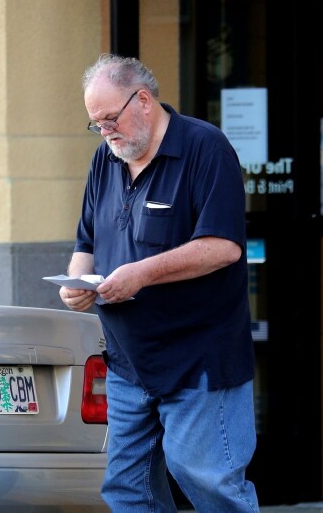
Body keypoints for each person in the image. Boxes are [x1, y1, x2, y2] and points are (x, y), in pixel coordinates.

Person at [59, 53, 259, 512]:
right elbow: (86, 241)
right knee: (128, 491)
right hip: (128, 362)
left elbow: (222, 246)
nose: (105, 130)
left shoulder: (205, 149)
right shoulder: (104, 161)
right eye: (96, 123)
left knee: (208, 482)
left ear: (143, 100)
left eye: (110, 118)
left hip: (198, 360)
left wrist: (141, 275)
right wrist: (76, 284)